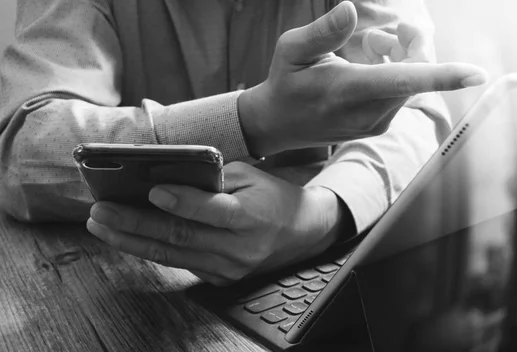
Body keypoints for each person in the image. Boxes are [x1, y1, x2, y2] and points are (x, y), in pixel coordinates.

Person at [0, 0, 486, 285]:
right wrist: (254, 121)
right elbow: (25, 149)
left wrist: (323, 212)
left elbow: (420, 114)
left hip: (311, 282)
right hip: (118, 286)